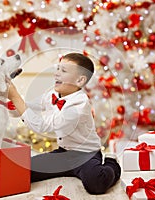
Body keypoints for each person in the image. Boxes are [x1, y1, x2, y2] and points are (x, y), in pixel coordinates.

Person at [6, 52, 121, 194]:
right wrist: (11, 105)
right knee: (21, 171)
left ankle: (111, 163)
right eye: (58, 69)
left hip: (86, 154)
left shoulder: (78, 106)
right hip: (64, 153)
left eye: (64, 71)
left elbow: (42, 126)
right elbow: (29, 106)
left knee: (96, 183)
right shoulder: (53, 95)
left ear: (79, 81)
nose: (56, 74)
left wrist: (15, 97)